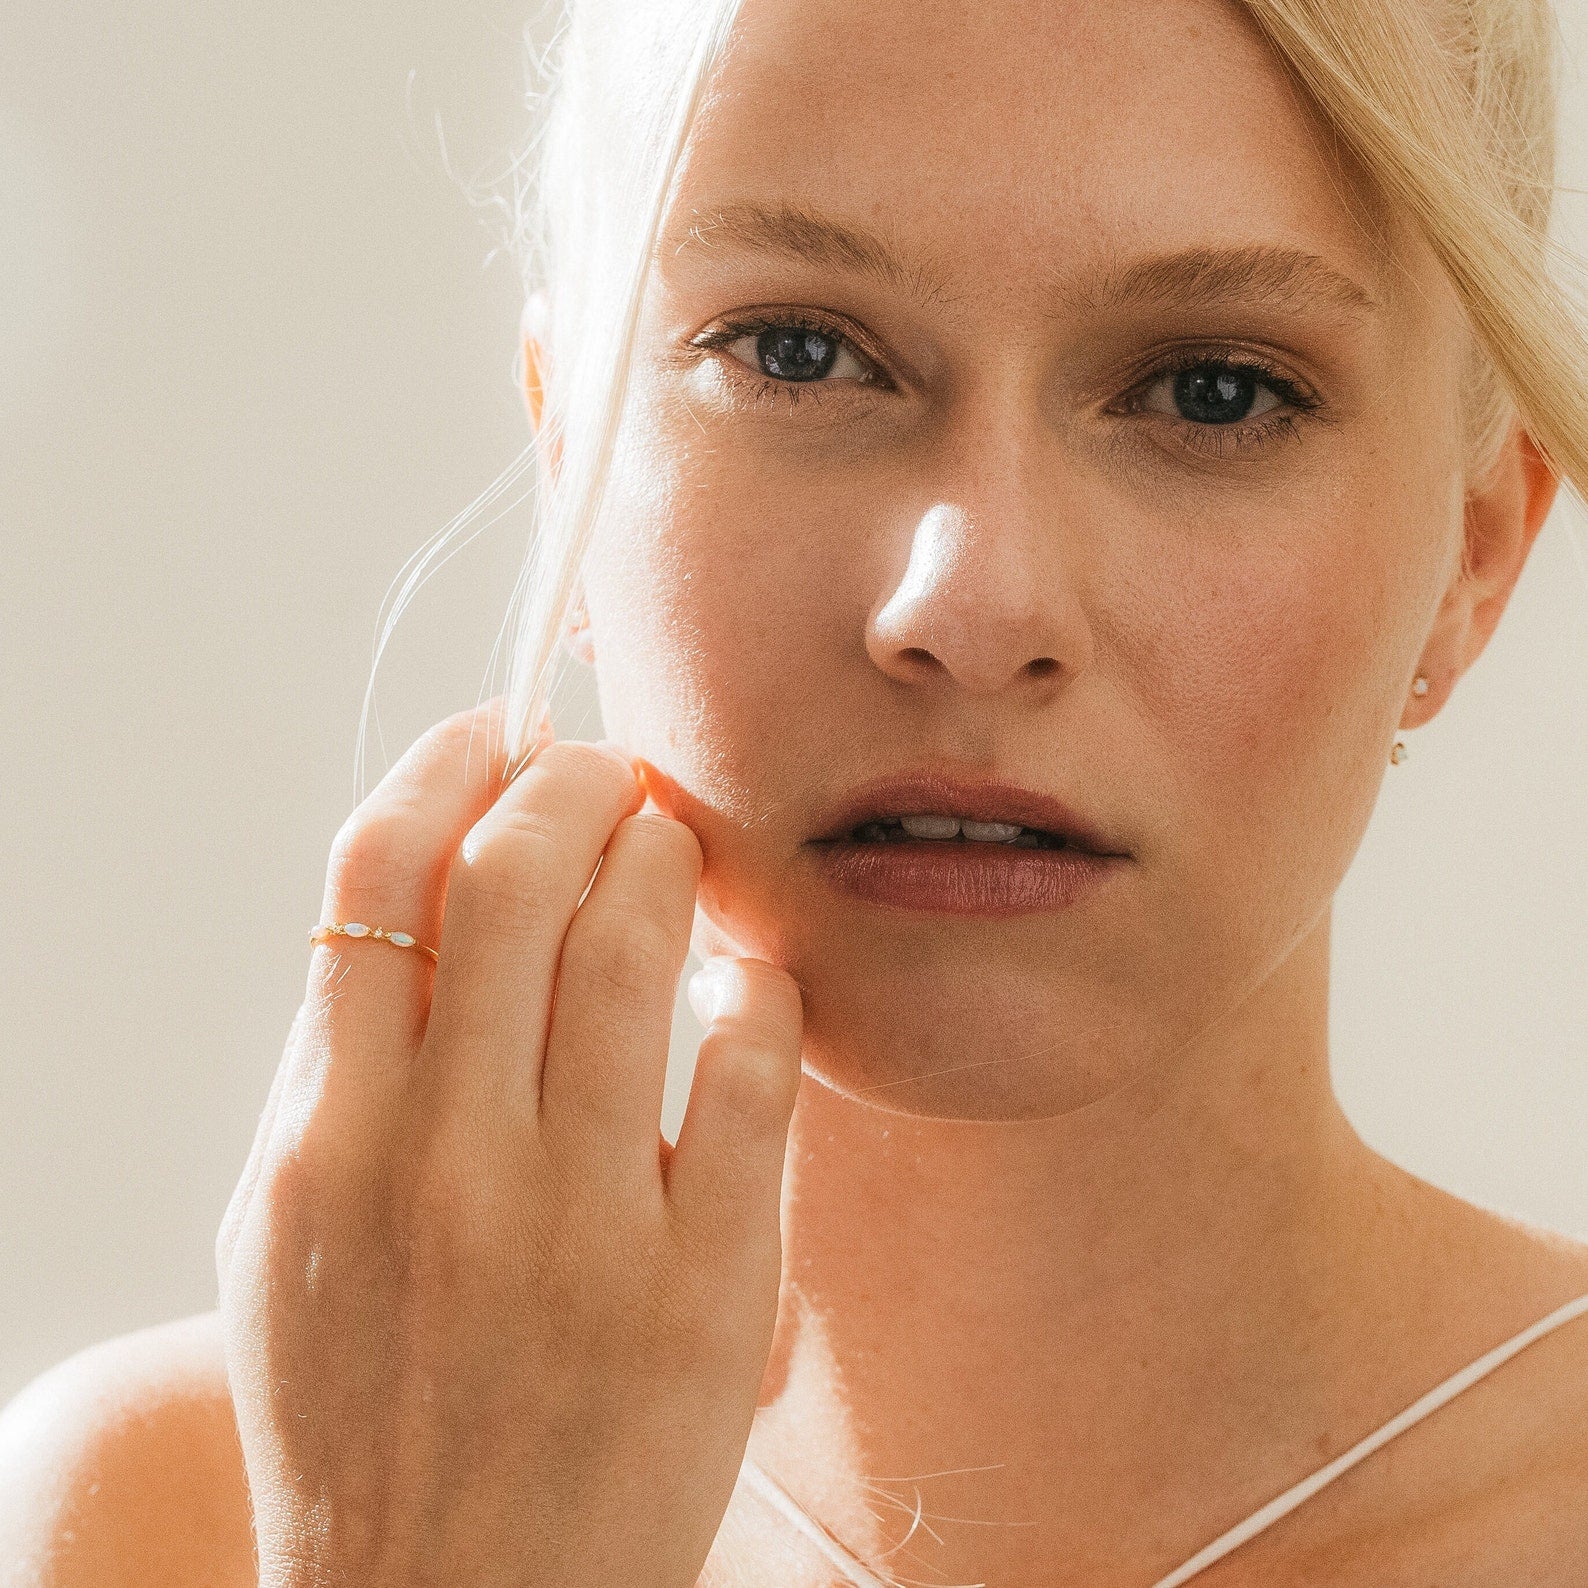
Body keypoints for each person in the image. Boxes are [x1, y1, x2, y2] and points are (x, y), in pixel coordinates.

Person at [4, 0, 1588, 1582]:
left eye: (1214, 391)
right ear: (573, 451)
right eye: (799, 352)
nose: (973, 605)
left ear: (1474, 556)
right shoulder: (147, 1527)